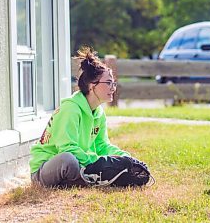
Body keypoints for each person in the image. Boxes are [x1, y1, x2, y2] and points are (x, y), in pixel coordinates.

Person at [30, 46, 150, 188]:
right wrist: (98, 163)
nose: (113, 87)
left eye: (114, 83)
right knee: (69, 160)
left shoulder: (98, 113)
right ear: (92, 86)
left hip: (80, 165)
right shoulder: (71, 108)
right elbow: (66, 148)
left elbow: (102, 145)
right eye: (108, 83)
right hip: (45, 170)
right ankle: (93, 179)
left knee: (108, 165)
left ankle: (90, 179)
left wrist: (126, 157)